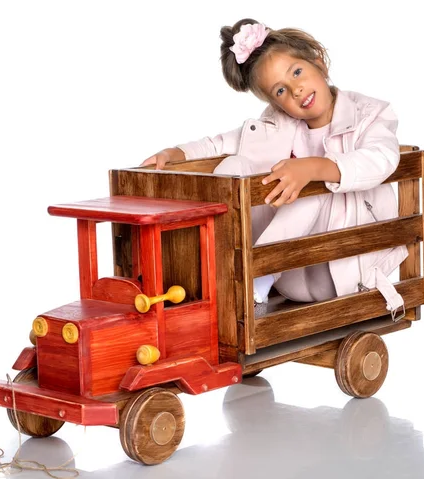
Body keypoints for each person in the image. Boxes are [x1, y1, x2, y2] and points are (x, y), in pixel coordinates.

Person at [141, 18, 408, 318]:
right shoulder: (278, 124)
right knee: (235, 164)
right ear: (275, 102)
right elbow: (221, 143)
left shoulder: (369, 115)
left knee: (310, 188)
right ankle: (225, 271)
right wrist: (176, 152)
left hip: (338, 269)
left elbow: (383, 158)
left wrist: (315, 167)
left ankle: (254, 279)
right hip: (286, 276)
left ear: (319, 62)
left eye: (297, 72)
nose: (295, 90)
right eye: (280, 91)